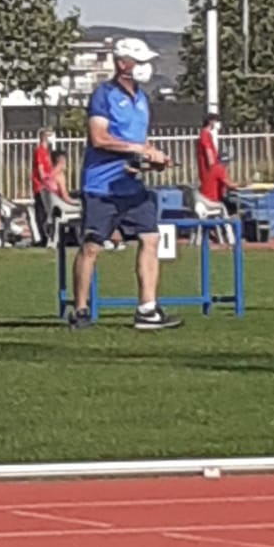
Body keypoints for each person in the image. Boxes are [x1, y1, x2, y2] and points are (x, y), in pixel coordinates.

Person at [70, 36, 181, 330]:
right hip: (101, 187)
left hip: (130, 187)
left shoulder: (142, 99)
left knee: (150, 238)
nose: (147, 67)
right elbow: (100, 138)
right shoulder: (103, 95)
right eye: (140, 61)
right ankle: (80, 310)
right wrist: (141, 151)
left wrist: (153, 159)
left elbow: (139, 142)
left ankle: (147, 309)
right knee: (92, 246)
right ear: (122, 64)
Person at [31, 127, 56, 243]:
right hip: (40, 187)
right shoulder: (40, 151)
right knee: (42, 213)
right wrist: (46, 181)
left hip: (46, 187)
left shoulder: (46, 152)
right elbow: (41, 170)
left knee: (47, 212)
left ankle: (48, 236)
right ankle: (44, 237)